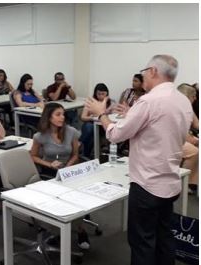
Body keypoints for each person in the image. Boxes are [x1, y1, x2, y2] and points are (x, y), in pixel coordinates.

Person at [85, 55, 192, 264]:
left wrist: (100, 114)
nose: (142, 75)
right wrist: (132, 113)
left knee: (142, 242)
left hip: (146, 185)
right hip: (169, 182)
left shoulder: (148, 101)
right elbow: (159, 128)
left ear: (153, 71)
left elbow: (116, 135)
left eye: (144, 71)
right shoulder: (182, 100)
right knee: (164, 237)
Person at [29, 102, 90, 249]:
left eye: (63, 114)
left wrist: (68, 167)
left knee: (74, 198)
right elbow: (33, 156)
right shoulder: (40, 136)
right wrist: (49, 164)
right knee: (57, 200)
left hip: (69, 170)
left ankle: (81, 230)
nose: (62, 117)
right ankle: (56, 230)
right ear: (49, 117)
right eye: (58, 114)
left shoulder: (71, 131)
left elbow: (76, 154)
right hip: (49, 172)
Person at [79, 83, 116, 158]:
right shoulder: (91, 102)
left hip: (104, 126)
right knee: (90, 129)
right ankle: (83, 149)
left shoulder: (111, 102)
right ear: (95, 94)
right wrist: (92, 117)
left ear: (107, 94)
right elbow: (83, 117)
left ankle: (83, 150)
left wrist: (106, 110)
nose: (101, 96)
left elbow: (114, 116)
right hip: (91, 124)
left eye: (103, 94)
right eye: (99, 94)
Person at [177, 83, 199, 194]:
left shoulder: (188, 108)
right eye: (193, 95)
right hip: (174, 140)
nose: (195, 98)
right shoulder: (176, 107)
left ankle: (193, 182)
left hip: (183, 137)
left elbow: (197, 124)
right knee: (194, 151)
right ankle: (187, 183)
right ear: (186, 96)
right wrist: (194, 140)